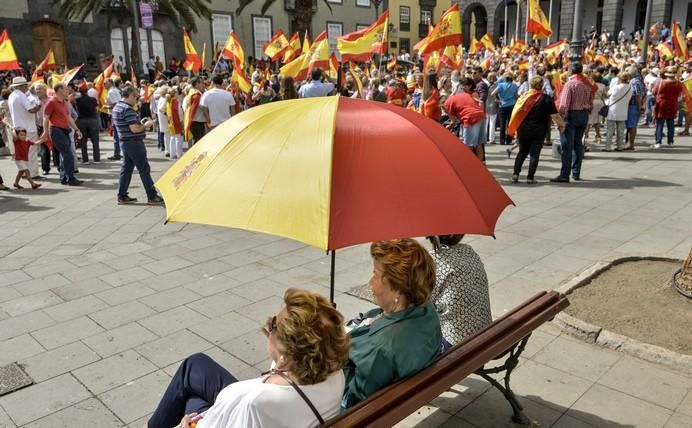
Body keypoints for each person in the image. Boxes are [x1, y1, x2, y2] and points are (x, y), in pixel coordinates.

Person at [144, 288, 350, 428]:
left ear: (288, 356)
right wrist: (277, 345)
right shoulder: (334, 372)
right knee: (195, 366)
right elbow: (291, 373)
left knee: (190, 389)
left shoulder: (254, 404)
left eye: (274, 325)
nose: (270, 323)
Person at [342, 239, 441, 409]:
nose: (370, 281)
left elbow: (351, 401)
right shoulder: (425, 309)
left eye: (375, 275)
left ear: (397, 289)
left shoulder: (381, 348)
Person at [427, 235, 492, 349]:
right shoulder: (468, 250)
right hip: (484, 334)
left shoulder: (435, 259)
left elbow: (423, 299)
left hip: (456, 342)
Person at [111, 85, 163, 205]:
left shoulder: (117, 107)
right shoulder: (127, 109)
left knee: (126, 169)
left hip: (125, 142)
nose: (137, 99)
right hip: (134, 143)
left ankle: (122, 195)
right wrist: (146, 125)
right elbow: (134, 129)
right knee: (144, 169)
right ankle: (152, 196)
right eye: (136, 96)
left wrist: (140, 122)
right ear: (129, 95)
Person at [509, 76, 566, 183]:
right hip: (539, 130)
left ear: (531, 84)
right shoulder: (546, 99)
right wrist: (561, 125)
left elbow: (516, 112)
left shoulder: (523, 97)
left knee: (522, 152)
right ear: (542, 86)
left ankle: (515, 174)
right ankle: (530, 177)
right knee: (534, 154)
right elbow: (555, 116)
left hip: (524, 130)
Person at [552, 62, 594, 183]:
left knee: (567, 146)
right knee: (578, 145)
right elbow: (591, 104)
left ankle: (565, 174)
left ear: (571, 71)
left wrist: (560, 120)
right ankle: (576, 173)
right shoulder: (587, 85)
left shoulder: (570, 84)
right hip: (583, 115)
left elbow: (564, 104)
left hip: (571, 116)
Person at [40, 83, 82, 186]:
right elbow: (45, 118)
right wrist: (45, 132)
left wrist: (77, 129)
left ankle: (64, 178)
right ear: (59, 90)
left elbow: (69, 118)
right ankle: (70, 178)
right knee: (68, 155)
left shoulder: (64, 102)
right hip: (56, 130)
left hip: (64, 130)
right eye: (65, 89)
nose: (67, 91)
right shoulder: (51, 102)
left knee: (65, 155)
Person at [444, 78, 487, 163]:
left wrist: (450, 125)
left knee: (468, 146)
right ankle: (480, 166)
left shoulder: (446, 105)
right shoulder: (466, 95)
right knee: (478, 144)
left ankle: (469, 166)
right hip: (481, 116)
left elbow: (453, 121)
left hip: (470, 118)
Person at [8, 76, 41, 178]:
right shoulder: (21, 96)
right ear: (22, 86)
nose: (27, 87)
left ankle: (24, 173)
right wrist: (38, 106)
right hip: (28, 128)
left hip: (18, 128)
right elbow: (30, 109)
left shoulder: (12, 96)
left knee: (23, 153)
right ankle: (33, 174)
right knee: (31, 152)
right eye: (26, 85)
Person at [652, 66, 683, 148]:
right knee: (671, 124)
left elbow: (653, 92)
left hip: (661, 104)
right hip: (672, 104)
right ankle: (670, 141)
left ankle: (658, 142)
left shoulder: (661, 82)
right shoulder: (678, 83)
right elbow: (680, 95)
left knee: (659, 124)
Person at [604, 72, 632, 152]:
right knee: (621, 130)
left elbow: (607, 94)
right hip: (623, 111)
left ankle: (608, 147)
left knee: (610, 130)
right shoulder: (630, 87)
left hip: (613, 111)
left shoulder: (616, 87)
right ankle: (620, 147)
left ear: (619, 79)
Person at [75, 82, 101, 163]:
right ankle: (96, 159)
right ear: (87, 90)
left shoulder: (77, 100)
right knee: (95, 141)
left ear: (79, 91)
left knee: (83, 141)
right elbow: (96, 110)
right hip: (92, 120)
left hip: (81, 120)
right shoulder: (93, 99)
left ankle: (85, 159)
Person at [492, 72, 519, 145]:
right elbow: (516, 96)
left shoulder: (500, 85)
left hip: (502, 105)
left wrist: (498, 100)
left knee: (502, 124)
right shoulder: (514, 86)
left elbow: (493, 93)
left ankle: (502, 140)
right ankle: (509, 140)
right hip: (512, 105)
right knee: (510, 123)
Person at [625, 66, 646, 150]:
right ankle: (629, 143)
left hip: (633, 105)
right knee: (632, 125)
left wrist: (639, 106)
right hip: (635, 105)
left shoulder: (634, 81)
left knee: (631, 125)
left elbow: (636, 95)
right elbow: (644, 94)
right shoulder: (640, 81)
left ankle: (630, 144)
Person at [585, 73, 606, 146]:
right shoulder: (603, 86)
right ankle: (598, 137)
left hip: (592, 102)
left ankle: (585, 137)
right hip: (600, 103)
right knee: (597, 121)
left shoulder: (591, 85)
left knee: (588, 121)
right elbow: (604, 96)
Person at [184, 77, 206, 145]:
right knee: (198, 142)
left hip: (193, 121)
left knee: (196, 141)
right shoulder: (196, 95)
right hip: (197, 122)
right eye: (202, 83)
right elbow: (203, 106)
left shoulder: (191, 92)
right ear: (197, 84)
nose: (204, 85)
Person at [107, 78, 123, 160]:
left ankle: (117, 153)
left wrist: (107, 106)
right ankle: (119, 152)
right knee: (118, 134)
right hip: (119, 113)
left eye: (106, 83)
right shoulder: (117, 90)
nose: (104, 85)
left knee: (116, 135)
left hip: (115, 114)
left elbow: (116, 103)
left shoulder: (112, 91)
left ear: (110, 83)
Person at [165, 86, 184, 159]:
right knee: (178, 138)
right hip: (176, 121)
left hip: (170, 121)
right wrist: (182, 121)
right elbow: (180, 113)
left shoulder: (168, 101)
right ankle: (179, 153)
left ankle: (172, 153)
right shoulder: (176, 101)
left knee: (172, 137)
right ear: (175, 94)